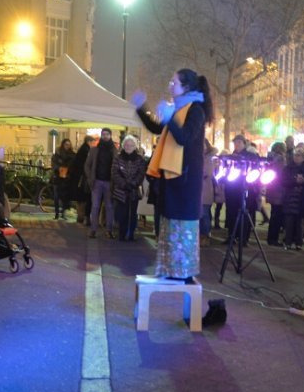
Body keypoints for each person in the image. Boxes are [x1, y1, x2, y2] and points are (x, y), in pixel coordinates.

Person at [131, 69, 213, 283]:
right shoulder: (178, 109)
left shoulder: (195, 110)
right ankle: (170, 269)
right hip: (172, 179)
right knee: (168, 226)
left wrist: (170, 117)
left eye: (173, 82)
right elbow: (157, 128)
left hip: (185, 182)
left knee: (182, 228)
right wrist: (141, 107)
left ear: (185, 87)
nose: (170, 85)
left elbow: (184, 137)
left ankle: (183, 272)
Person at [112, 136, 148, 241]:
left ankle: (131, 233)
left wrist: (133, 184)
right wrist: (124, 184)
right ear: (123, 146)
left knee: (132, 213)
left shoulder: (139, 159)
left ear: (134, 146)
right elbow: (115, 173)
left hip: (133, 190)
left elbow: (141, 173)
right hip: (121, 191)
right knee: (121, 213)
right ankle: (122, 233)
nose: (128, 147)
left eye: (131, 145)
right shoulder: (118, 158)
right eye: (126, 145)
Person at [85, 127, 117, 238]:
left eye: (107, 134)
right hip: (97, 182)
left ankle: (109, 230)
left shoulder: (114, 150)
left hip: (109, 183)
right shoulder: (94, 150)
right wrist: (90, 178)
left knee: (109, 207)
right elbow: (87, 165)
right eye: (104, 134)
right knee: (95, 206)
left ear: (110, 136)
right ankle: (93, 229)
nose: (105, 136)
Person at [51, 138, 76, 220]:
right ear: (63, 144)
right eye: (66, 144)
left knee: (65, 197)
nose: (67, 146)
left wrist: (68, 171)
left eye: (69, 144)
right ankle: (56, 213)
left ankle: (63, 213)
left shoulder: (72, 154)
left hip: (66, 179)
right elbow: (54, 163)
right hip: (57, 177)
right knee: (56, 196)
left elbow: (73, 166)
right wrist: (58, 169)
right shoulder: (58, 153)